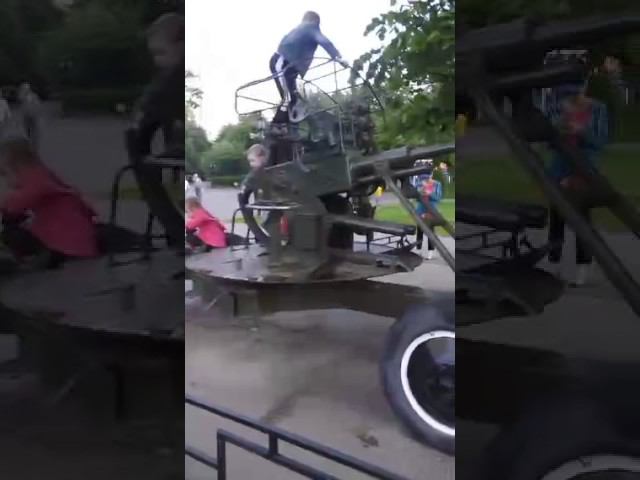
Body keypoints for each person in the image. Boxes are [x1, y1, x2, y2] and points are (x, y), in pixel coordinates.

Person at [545, 80, 609, 286]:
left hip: (584, 170)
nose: (571, 99)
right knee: (557, 218)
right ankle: (554, 264)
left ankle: (582, 266)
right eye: (567, 95)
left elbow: (600, 141)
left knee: (581, 220)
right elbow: (548, 141)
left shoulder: (598, 109)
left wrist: (581, 130)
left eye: (575, 94)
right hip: (559, 169)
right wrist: (559, 129)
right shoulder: (556, 107)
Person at [0, 137, 99, 269]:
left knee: (11, 234)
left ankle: (33, 261)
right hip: (75, 244)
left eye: (5, 173)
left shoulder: (37, 179)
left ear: (18, 166)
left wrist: (5, 204)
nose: (6, 182)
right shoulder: (47, 176)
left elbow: (17, 202)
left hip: (66, 246)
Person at [270, 11, 347, 123]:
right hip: (282, 64)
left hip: (288, 67)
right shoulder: (310, 27)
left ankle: (288, 123)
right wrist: (338, 57)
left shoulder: (298, 30)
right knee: (288, 98)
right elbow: (324, 41)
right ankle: (278, 125)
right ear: (314, 21)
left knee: (292, 98)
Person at [412, 165, 443, 260]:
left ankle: (430, 252)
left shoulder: (437, 184)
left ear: (431, 175)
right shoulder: (419, 183)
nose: (425, 180)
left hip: (431, 211)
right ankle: (419, 250)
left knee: (430, 232)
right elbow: (416, 198)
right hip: (421, 210)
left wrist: (430, 193)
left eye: (427, 177)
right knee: (420, 231)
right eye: (423, 178)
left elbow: (438, 198)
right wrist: (420, 193)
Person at [17, 83, 41, 149]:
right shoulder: (22, 96)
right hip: (26, 115)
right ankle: (30, 140)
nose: (25, 89)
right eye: (24, 88)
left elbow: (38, 104)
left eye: (26, 88)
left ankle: (34, 143)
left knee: (34, 129)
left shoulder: (34, 95)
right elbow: (20, 101)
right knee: (27, 129)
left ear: (29, 89)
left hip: (33, 115)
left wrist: (37, 112)